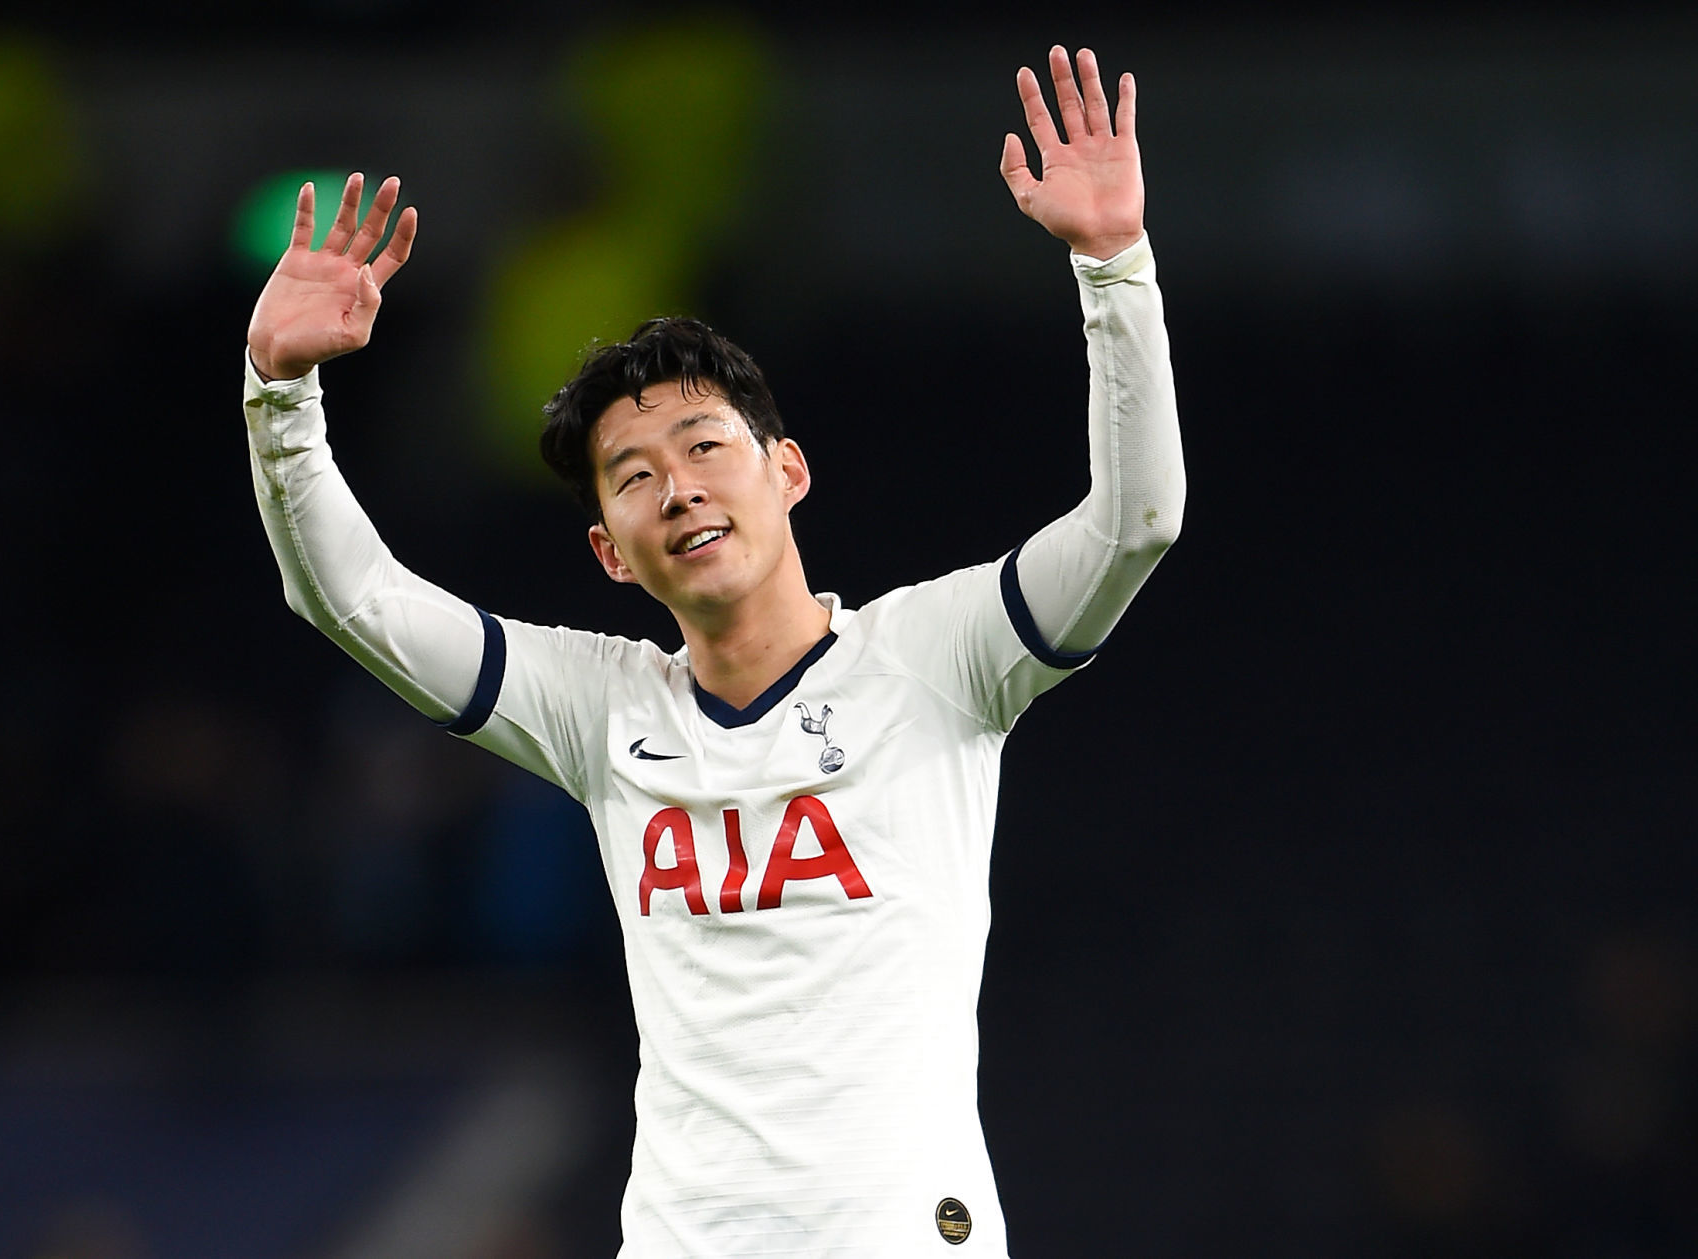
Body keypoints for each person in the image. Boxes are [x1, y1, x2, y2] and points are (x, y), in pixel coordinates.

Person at [243, 45, 1182, 1258]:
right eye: (635, 477)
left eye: (704, 446)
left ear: (786, 472)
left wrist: (1114, 265)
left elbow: (1136, 519)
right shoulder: (601, 710)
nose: (676, 488)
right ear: (610, 551)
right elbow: (354, 601)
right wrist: (278, 392)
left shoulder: (937, 657)